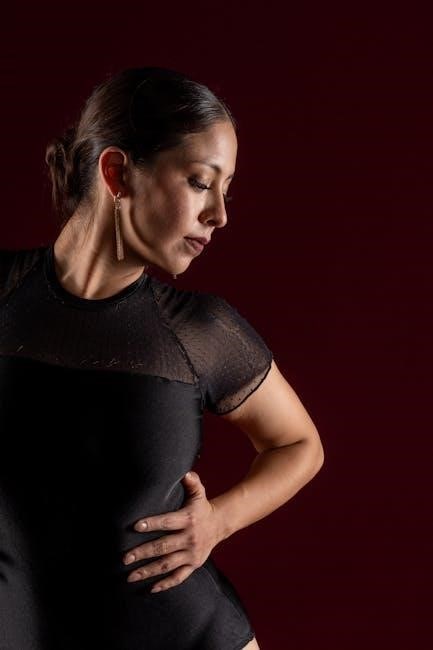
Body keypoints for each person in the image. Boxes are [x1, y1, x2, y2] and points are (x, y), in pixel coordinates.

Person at [0, 67, 324, 650]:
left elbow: (300, 445)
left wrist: (218, 521)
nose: (220, 214)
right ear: (118, 173)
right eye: (201, 183)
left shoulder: (199, 331)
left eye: (226, 190)